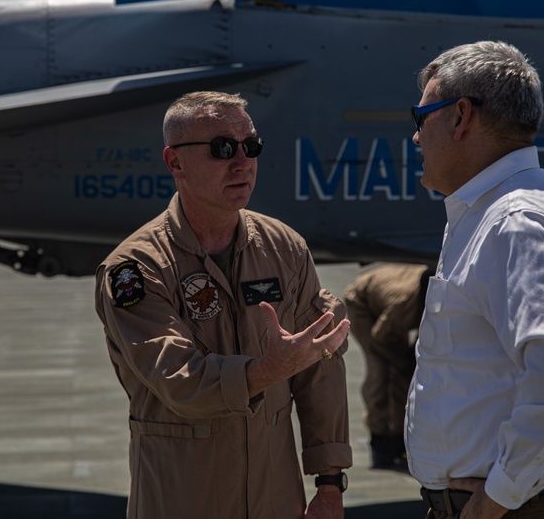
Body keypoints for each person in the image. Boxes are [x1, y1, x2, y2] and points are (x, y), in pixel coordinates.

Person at [94, 91, 352, 519]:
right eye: (221, 149)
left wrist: (329, 483)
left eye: (250, 146)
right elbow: (181, 381)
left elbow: (319, 371)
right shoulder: (134, 270)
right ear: (174, 162)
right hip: (182, 500)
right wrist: (269, 369)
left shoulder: (284, 248)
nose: (242, 162)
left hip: (276, 500)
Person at [405, 41, 544, 519]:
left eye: (422, 119)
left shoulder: (517, 220)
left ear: (460, 117)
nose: (416, 138)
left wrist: (496, 498)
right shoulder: (495, 213)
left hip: (518, 509)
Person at [344, 262, 430, 469]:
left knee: (405, 375)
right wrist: (405, 360)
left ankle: (400, 435)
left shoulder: (442, 295)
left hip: (390, 300)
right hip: (362, 301)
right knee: (379, 371)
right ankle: (380, 436)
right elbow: (380, 337)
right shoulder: (405, 304)